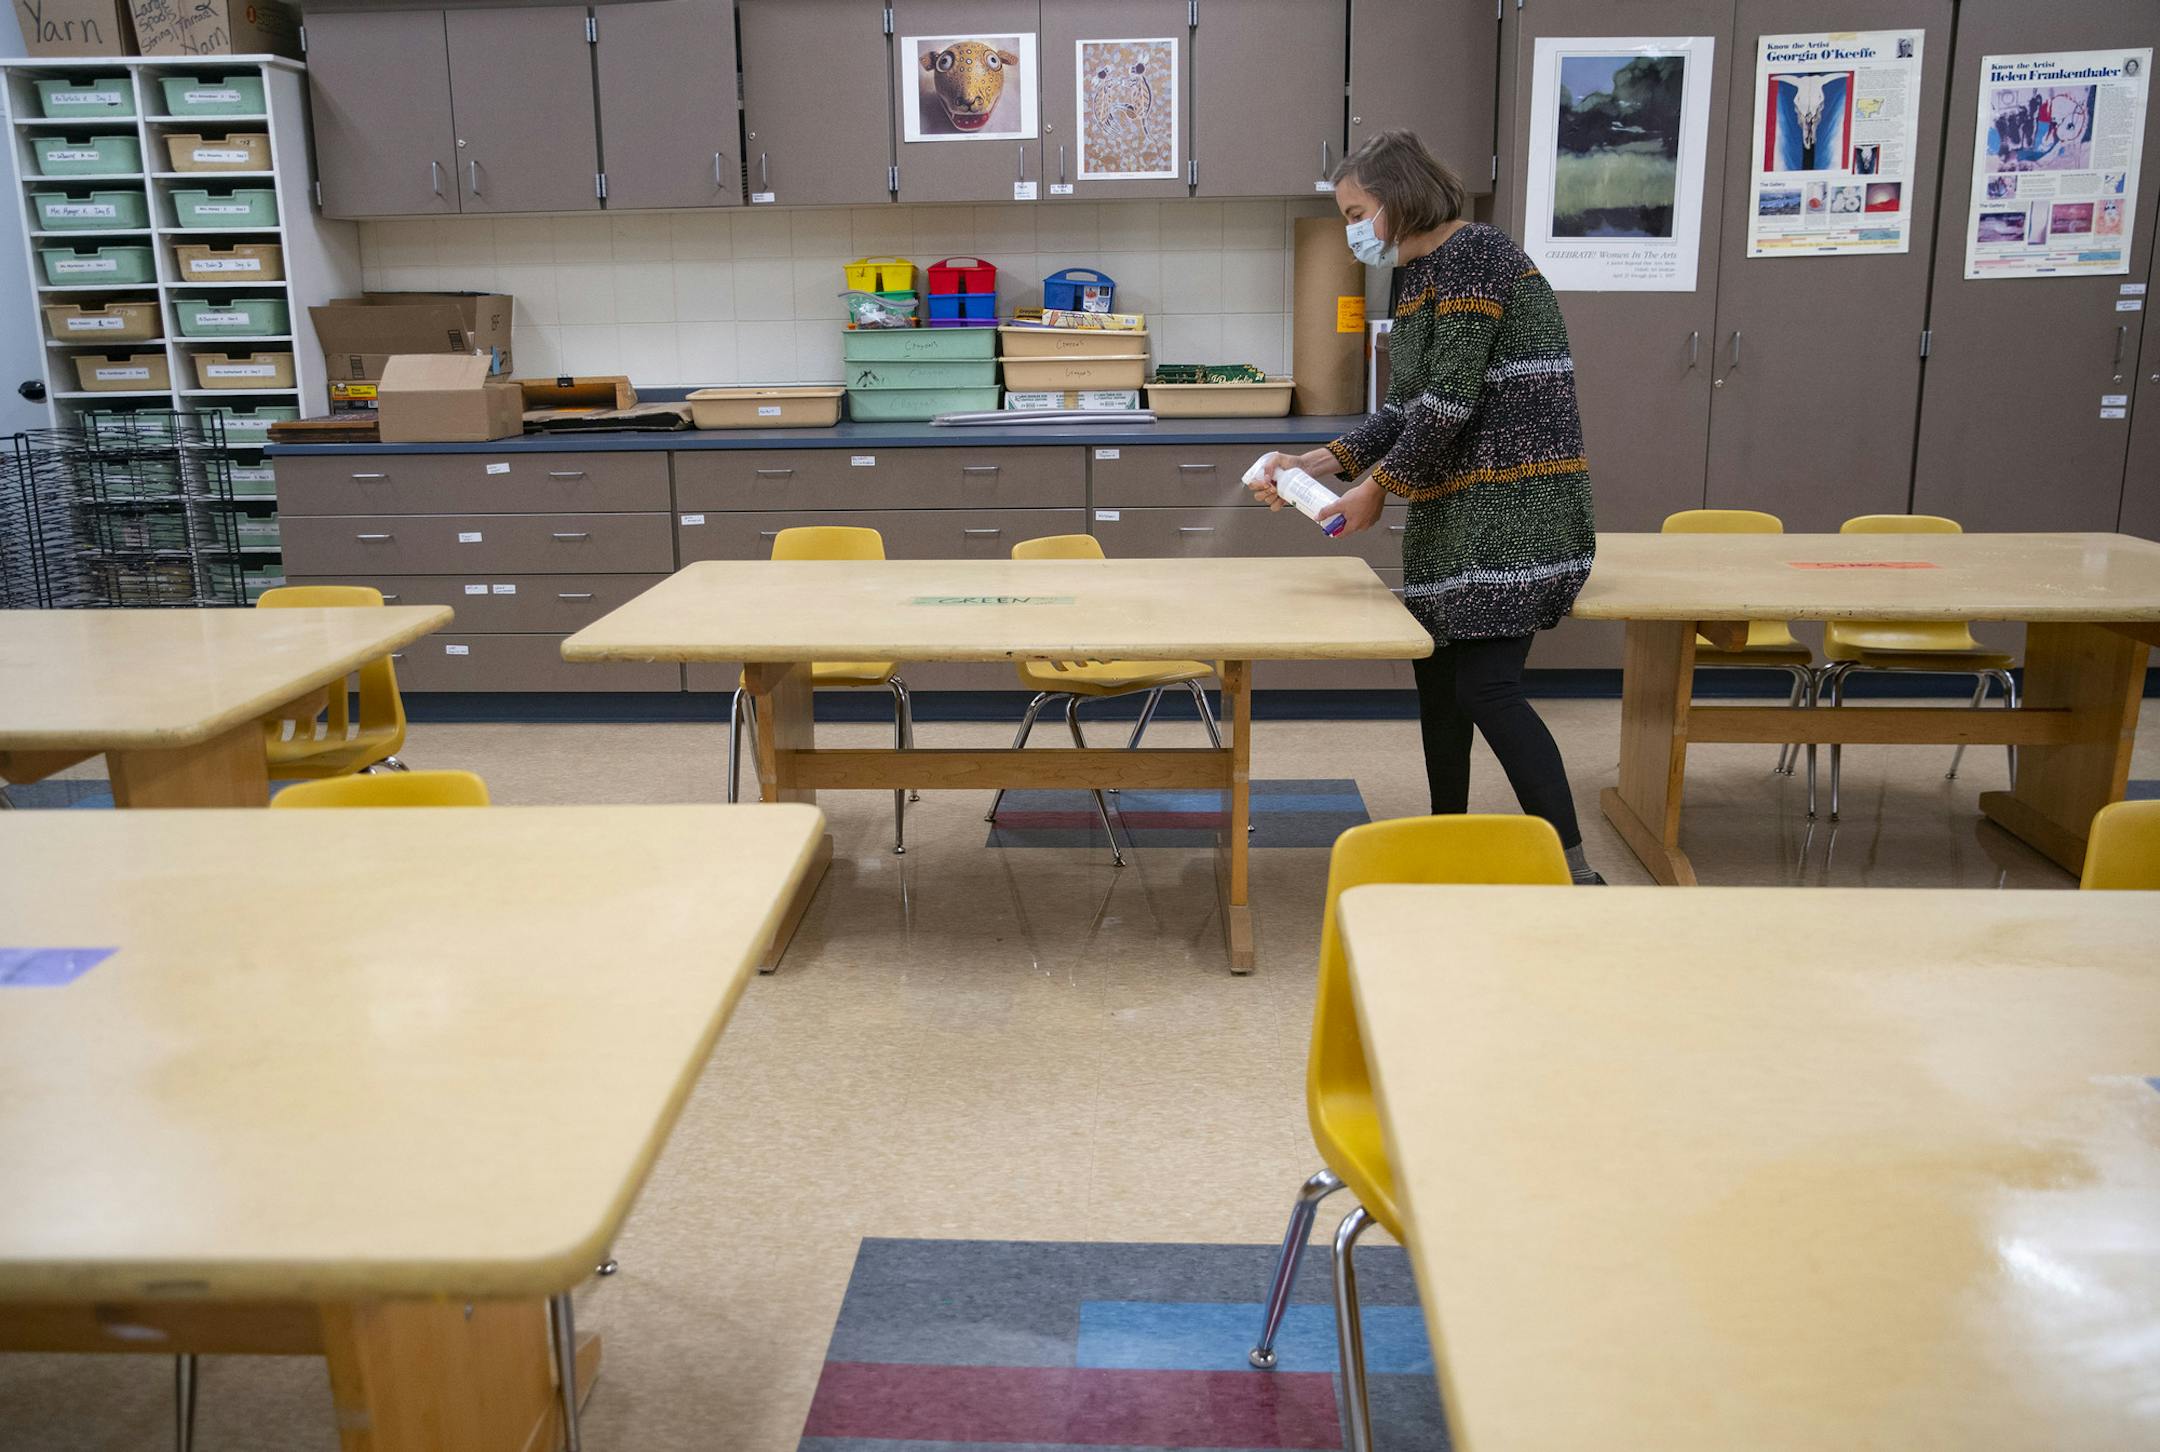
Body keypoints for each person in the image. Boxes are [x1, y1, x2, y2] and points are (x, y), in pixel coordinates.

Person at [1247, 130, 1602, 883]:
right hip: (1461, 516)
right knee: (1440, 685)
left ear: (1398, 197)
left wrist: (1377, 489)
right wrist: (1313, 466)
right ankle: (1450, 845)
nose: (1350, 229)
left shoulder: (1475, 257)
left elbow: (1447, 406)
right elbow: (1404, 407)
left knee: (1486, 687)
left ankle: (1575, 871)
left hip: (1517, 516)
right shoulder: (1417, 277)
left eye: (1354, 210)